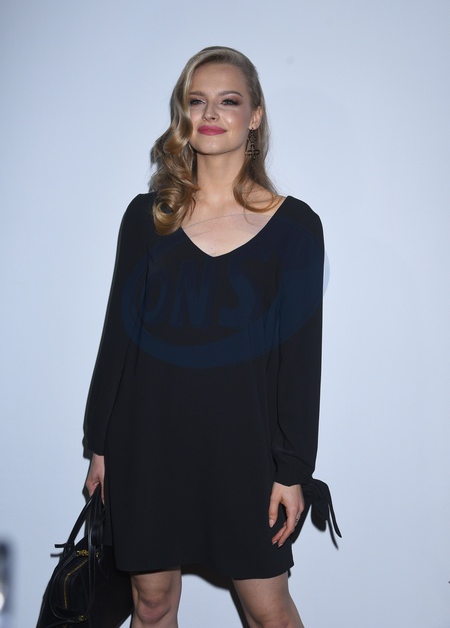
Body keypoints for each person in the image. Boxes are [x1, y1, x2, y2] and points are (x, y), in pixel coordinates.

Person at [84, 46, 339, 628]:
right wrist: (99, 443)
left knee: (270, 612)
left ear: (255, 116)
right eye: (196, 101)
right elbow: (117, 337)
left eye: (229, 100)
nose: (211, 113)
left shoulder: (296, 227)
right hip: (147, 442)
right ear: (183, 114)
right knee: (152, 605)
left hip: (244, 451)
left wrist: (293, 470)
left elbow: (301, 362)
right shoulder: (147, 218)